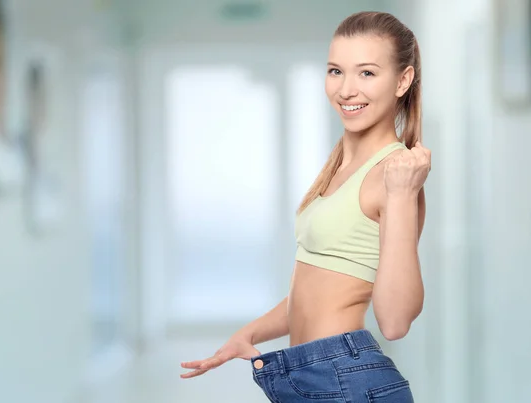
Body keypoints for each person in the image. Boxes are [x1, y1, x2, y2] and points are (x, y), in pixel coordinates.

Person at [180, 10, 430, 402]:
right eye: (335, 71)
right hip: (312, 373)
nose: (346, 89)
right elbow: (321, 288)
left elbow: (395, 321)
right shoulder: (339, 167)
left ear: (403, 80)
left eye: (366, 73)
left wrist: (401, 195)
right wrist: (249, 333)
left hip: (345, 379)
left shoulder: (394, 176)